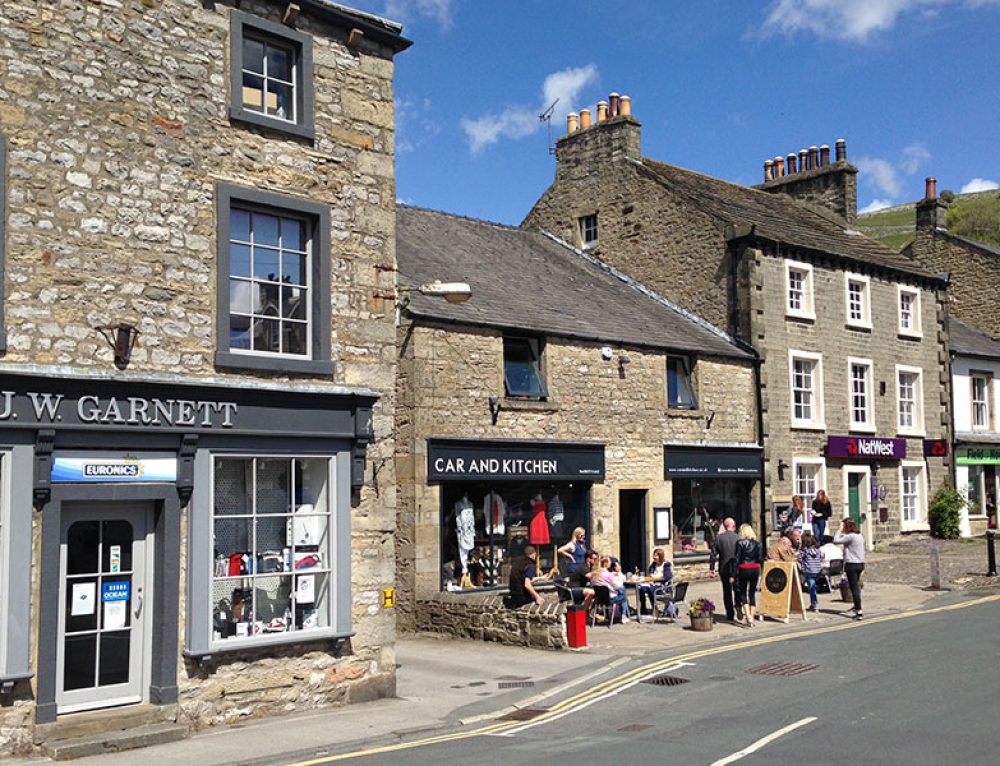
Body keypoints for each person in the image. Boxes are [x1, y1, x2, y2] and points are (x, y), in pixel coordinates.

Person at [834, 518, 866, 619]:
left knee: (854, 588)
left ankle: (859, 611)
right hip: (860, 563)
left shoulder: (850, 536)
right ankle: (856, 605)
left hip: (852, 564)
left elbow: (835, 540)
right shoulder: (859, 536)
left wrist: (839, 529)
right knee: (856, 586)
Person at [733, 523, 763, 627]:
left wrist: (733, 574)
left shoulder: (740, 543)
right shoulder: (757, 544)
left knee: (743, 593)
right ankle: (752, 618)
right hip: (755, 568)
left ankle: (748, 616)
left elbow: (737, 559)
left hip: (744, 568)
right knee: (752, 593)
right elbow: (760, 559)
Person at [713, 517, 740, 622]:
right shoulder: (738, 538)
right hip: (736, 568)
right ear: (733, 526)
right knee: (737, 589)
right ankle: (738, 605)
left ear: (724, 526)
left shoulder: (719, 538)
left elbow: (713, 554)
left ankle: (730, 614)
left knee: (727, 591)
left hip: (724, 569)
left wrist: (712, 568)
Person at [593, 555, 630, 623]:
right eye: (609, 562)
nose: (610, 563)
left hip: (599, 599)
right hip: (610, 599)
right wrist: (619, 574)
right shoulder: (608, 575)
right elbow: (618, 586)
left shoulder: (595, 574)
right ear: (606, 564)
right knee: (623, 592)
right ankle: (624, 615)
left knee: (621, 591)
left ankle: (609, 615)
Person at [638, 547, 672, 615]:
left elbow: (667, 577)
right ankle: (643, 608)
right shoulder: (653, 564)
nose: (654, 557)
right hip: (651, 583)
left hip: (661, 585)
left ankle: (654, 607)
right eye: (654, 555)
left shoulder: (666, 565)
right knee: (641, 589)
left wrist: (656, 578)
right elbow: (650, 574)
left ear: (660, 556)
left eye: (656, 555)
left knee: (651, 589)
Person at [797, 530, 823, 611]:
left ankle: (815, 604)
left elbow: (799, 558)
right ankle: (813, 603)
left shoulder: (804, 550)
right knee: (813, 586)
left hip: (809, 571)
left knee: (812, 588)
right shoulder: (818, 550)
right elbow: (821, 558)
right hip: (818, 571)